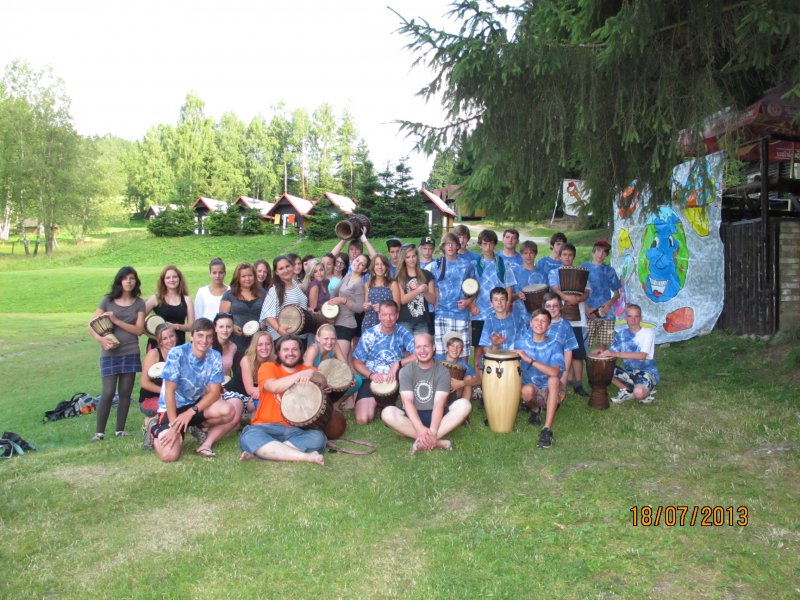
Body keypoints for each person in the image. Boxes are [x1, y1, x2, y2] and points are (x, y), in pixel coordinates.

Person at [147, 318, 236, 462]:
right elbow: (169, 392)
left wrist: (190, 412)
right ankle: (153, 428)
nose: (204, 340)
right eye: (200, 335)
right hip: (172, 407)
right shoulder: (177, 353)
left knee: (228, 411)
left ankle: (197, 427)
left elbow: (214, 393)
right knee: (169, 455)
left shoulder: (214, 356)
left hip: (194, 406)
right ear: (191, 336)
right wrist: (174, 427)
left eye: (208, 336)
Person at [238, 335, 327, 465]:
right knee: (249, 436)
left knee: (318, 438)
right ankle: (306, 457)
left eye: (294, 349)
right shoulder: (268, 367)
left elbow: (323, 381)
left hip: (297, 430)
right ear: (278, 352)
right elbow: (273, 387)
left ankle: (263, 451)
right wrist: (300, 375)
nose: (290, 353)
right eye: (285, 350)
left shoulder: (307, 370)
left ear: (300, 351)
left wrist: (313, 374)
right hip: (266, 426)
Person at [382, 332, 471, 452]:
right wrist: (420, 428)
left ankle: (426, 439)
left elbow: (439, 403)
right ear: (414, 349)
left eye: (426, 346)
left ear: (433, 347)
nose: (422, 351)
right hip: (413, 417)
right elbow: (407, 402)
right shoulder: (405, 371)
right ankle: (437, 441)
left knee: (465, 405)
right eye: (418, 347)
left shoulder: (443, 371)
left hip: (438, 417)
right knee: (387, 413)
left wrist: (433, 430)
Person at [88, 266, 147, 441]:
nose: (129, 281)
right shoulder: (107, 300)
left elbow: (139, 330)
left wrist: (116, 320)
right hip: (110, 353)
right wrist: (101, 340)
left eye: (132, 278)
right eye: (125, 278)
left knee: (125, 393)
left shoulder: (139, 303)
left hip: (130, 351)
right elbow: (90, 324)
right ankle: (99, 433)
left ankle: (120, 430)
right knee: (107, 392)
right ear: (119, 281)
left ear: (136, 281)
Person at [352, 301, 416, 424]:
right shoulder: (369, 334)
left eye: (391, 315)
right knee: (363, 419)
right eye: (385, 315)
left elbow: (420, 354)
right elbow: (357, 362)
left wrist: (399, 363)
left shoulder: (402, 332)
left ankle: (390, 403)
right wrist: (371, 374)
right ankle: (379, 403)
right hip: (372, 379)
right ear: (379, 316)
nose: (388, 318)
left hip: (394, 379)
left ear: (397, 316)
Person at [191, 312, 245, 457]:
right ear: (215, 328)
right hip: (206, 391)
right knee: (233, 418)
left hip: (224, 388)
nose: (225, 330)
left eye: (228, 326)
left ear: (233, 328)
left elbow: (234, 374)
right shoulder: (206, 346)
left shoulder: (233, 347)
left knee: (236, 417)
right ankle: (204, 435)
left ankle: (202, 426)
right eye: (221, 327)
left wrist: (228, 388)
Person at [512, 309, 565, 449]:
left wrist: (529, 360)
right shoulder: (520, 344)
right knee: (526, 391)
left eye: (543, 321)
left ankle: (546, 429)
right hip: (531, 388)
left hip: (551, 389)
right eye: (536, 320)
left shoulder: (555, 345)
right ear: (530, 323)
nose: (539, 324)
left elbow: (554, 371)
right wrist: (495, 345)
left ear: (549, 326)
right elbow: (503, 357)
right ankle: (535, 409)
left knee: (553, 380)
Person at [548, 242, 591, 397]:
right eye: (564, 254)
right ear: (560, 256)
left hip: (577, 319)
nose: (567, 257)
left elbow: (587, 291)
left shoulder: (581, 272)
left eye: (570, 255)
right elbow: (554, 288)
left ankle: (578, 383)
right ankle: (559, 382)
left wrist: (578, 299)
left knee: (578, 352)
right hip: (559, 318)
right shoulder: (554, 272)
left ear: (574, 256)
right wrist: (566, 298)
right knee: (559, 351)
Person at [594, 304, 660, 404]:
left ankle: (644, 389)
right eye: (630, 316)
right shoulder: (621, 334)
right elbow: (611, 353)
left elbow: (642, 355)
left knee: (639, 393)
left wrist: (616, 354)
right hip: (629, 372)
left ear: (641, 318)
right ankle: (626, 390)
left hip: (646, 372)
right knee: (602, 367)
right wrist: (601, 351)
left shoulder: (648, 333)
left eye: (636, 316)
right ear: (626, 318)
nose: (633, 319)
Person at [472, 229, 517, 367]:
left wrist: (506, 307)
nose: (488, 247)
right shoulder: (474, 264)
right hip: (479, 313)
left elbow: (509, 287)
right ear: (480, 245)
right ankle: (478, 377)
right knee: (479, 349)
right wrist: (471, 305)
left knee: (497, 344)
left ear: (495, 244)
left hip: (497, 312)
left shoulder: (503, 264)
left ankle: (498, 374)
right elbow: (469, 287)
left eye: (491, 244)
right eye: (484, 244)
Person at [428, 232, 478, 357]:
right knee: (441, 353)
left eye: (453, 243)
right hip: (441, 313)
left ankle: (462, 371)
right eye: (447, 244)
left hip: (460, 313)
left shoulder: (467, 265)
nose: (450, 246)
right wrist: (436, 306)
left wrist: (468, 302)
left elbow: (475, 287)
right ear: (443, 246)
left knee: (462, 353)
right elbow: (435, 288)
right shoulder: (436, 265)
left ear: (457, 246)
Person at [303, 323, 361, 407]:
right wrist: (322, 384)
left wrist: (351, 378)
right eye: (326, 339)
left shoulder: (335, 345)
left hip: (327, 380)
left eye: (333, 339)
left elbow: (344, 364)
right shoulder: (313, 349)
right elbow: (306, 374)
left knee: (357, 380)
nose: (329, 342)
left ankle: (336, 404)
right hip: (312, 383)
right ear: (318, 338)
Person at [581, 239, 621, 348]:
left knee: (604, 343)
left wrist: (609, 304)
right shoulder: (583, 268)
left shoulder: (610, 271)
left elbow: (617, 293)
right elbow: (577, 292)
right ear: (593, 251)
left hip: (606, 311)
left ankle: (602, 354)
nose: (600, 254)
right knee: (585, 344)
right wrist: (586, 308)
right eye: (598, 250)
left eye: (604, 252)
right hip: (587, 310)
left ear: (607, 254)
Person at [219, 262, 267, 353]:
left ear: (254, 276)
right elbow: (222, 317)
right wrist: (232, 326)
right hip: (237, 342)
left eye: (250, 275)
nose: (247, 279)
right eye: (243, 276)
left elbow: (269, 313)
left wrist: (264, 323)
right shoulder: (229, 295)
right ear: (238, 278)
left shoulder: (262, 292)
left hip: (259, 342)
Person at [328, 253, 369, 358]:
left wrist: (343, 300)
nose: (357, 264)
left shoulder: (359, 283)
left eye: (362, 264)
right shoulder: (348, 275)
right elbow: (334, 293)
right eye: (357, 260)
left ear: (365, 269)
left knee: (341, 361)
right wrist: (331, 312)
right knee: (347, 361)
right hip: (337, 320)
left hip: (346, 324)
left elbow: (360, 308)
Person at [260, 255, 309, 340]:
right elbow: (269, 316)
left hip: (297, 336)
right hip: (281, 338)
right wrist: (280, 331)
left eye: (287, 266)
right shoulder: (274, 290)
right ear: (276, 272)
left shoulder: (295, 283)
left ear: (292, 266)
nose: (286, 270)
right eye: (281, 268)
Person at [145, 265, 195, 348]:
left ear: (179, 279)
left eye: (174, 277)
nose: (171, 280)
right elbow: (138, 320)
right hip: (157, 345)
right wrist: (151, 336)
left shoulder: (187, 300)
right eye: (168, 277)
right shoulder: (156, 298)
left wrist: (175, 326)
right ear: (163, 280)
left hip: (178, 345)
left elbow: (191, 326)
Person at [541, 293, 578, 405]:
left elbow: (568, 353)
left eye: (555, 305)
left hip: (556, 369)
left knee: (552, 400)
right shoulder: (538, 322)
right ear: (543, 307)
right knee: (539, 398)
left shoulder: (566, 326)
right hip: (539, 368)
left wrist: (564, 379)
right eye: (548, 306)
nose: (552, 309)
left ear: (561, 306)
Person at [396, 243, 437, 335]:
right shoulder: (399, 277)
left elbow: (433, 300)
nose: (411, 259)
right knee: (406, 344)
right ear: (403, 259)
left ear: (417, 257)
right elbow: (402, 300)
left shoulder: (427, 274)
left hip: (422, 320)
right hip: (404, 320)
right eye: (408, 257)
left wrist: (425, 291)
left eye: (413, 256)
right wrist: (418, 290)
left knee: (423, 344)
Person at [139, 322, 178, 417]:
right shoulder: (153, 354)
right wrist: (166, 392)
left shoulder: (179, 353)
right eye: (165, 338)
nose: (169, 340)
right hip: (151, 398)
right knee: (176, 408)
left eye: (171, 336)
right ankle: (152, 422)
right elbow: (144, 383)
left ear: (176, 336)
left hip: (173, 396)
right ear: (160, 341)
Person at [234, 331, 274, 417]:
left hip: (256, 395)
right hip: (238, 394)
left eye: (267, 344)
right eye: (260, 344)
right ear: (254, 346)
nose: (264, 347)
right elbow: (250, 390)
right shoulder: (247, 360)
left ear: (272, 345)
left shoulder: (274, 360)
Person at [436, 331, 479, 407]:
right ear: (446, 348)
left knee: (468, 379)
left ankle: (463, 407)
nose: (455, 349)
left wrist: (461, 383)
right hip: (437, 391)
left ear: (461, 351)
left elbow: (477, 380)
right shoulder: (437, 358)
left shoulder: (463, 364)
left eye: (458, 347)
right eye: (452, 346)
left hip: (456, 393)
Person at [478, 287, 526, 352]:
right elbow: (486, 349)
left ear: (507, 301)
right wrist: (495, 345)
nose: (499, 302)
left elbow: (524, 342)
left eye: (502, 299)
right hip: (495, 357)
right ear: (491, 303)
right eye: (496, 300)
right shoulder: (488, 321)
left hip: (515, 356)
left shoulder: (517, 318)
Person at [362, 254, 400, 331]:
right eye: (377, 264)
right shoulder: (367, 284)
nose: (380, 267)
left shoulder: (392, 284)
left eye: (382, 264)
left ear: (386, 267)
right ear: (373, 267)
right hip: (369, 321)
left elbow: (398, 307)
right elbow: (366, 306)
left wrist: (383, 308)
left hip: (387, 321)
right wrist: (365, 307)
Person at [511, 240, 547, 321]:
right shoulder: (514, 272)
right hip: (517, 315)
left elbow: (547, 296)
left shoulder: (542, 274)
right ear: (521, 254)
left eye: (531, 253)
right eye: (525, 253)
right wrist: (517, 295)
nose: (529, 256)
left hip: (538, 316)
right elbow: (507, 295)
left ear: (535, 254)